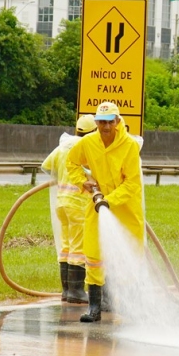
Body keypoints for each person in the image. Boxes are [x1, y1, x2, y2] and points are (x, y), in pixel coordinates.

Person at [65, 101, 145, 323]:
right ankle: (95, 308)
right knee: (94, 255)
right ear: (96, 123)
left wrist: (109, 200)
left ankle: (130, 306)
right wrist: (83, 182)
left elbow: (131, 184)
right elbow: (71, 162)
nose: (105, 127)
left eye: (109, 122)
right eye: (101, 122)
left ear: (117, 122)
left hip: (125, 208)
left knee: (129, 256)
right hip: (98, 206)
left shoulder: (129, 146)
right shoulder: (89, 143)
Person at [41, 114, 96, 303]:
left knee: (66, 246)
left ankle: (66, 290)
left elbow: (47, 167)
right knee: (79, 247)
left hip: (62, 203)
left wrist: (63, 176)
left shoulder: (63, 146)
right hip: (78, 204)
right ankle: (76, 291)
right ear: (93, 131)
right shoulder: (87, 148)